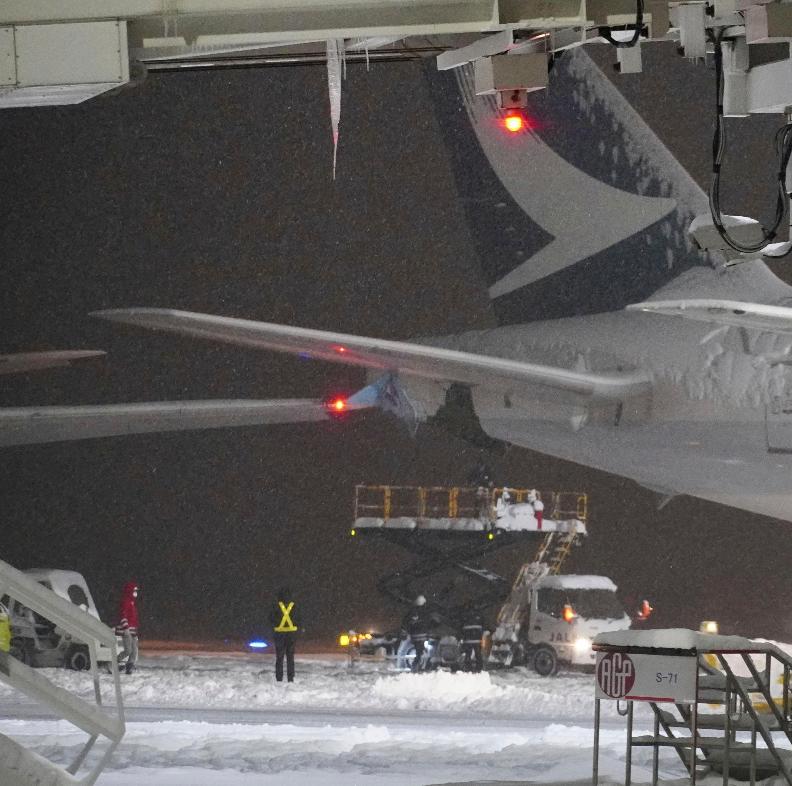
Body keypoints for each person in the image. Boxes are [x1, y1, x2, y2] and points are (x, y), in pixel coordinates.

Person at [269, 587, 300, 683]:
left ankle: (279, 678)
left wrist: (278, 625)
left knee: (279, 657)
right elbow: (299, 620)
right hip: (291, 635)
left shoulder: (276, 607)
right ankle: (290, 678)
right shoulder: (294, 607)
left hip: (279, 634)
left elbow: (271, 619)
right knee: (290, 657)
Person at [402, 594, 432, 672]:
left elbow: (405, 622)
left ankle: (419, 666)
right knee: (420, 653)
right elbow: (428, 624)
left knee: (420, 652)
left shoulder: (411, 612)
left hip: (414, 637)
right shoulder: (425, 612)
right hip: (422, 637)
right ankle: (416, 667)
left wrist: (406, 632)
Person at [116, 581, 140, 675]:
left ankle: (129, 667)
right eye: (134, 590)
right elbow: (123, 615)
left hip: (133, 631)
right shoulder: (125, 601)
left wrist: (136, 630)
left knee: (134, 651)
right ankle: (114, 662)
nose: (135, 592)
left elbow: (133, 618)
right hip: (126, 631)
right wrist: (125, 628)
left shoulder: (132, 602)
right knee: (128, 650)